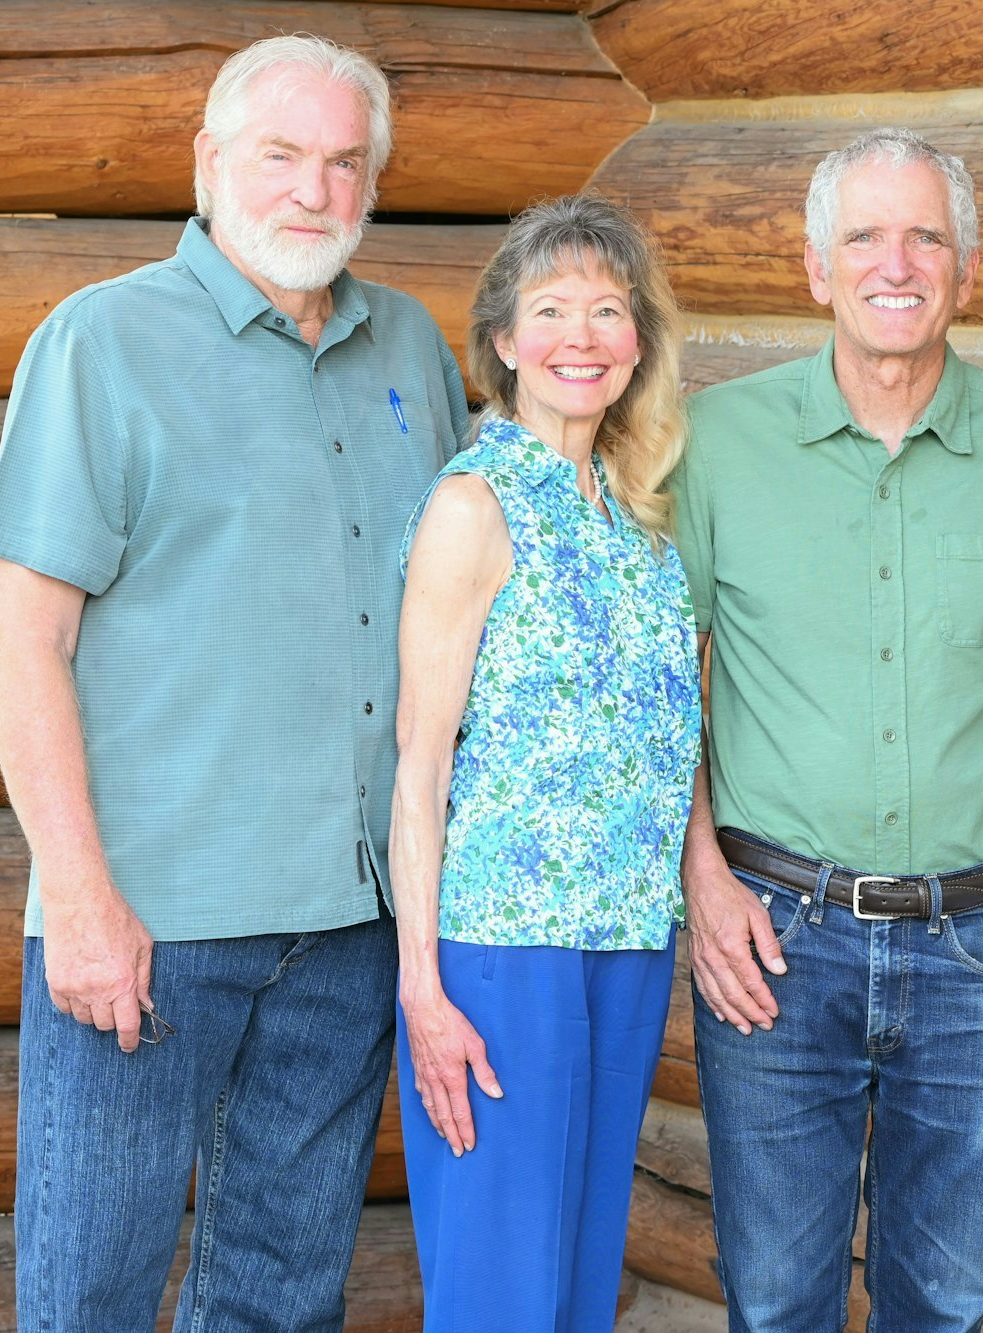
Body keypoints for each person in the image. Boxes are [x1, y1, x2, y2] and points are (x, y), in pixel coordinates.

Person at [0, 34, 469, 1330]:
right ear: (208, 162)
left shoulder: (412, 345)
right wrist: (78, 899)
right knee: (92, 1288)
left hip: (351, 922)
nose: (314, 190)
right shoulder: (101, 343)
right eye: (280, 156)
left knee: (282, 1294)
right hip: (150, 923)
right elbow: (19, 638)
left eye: (345, 163)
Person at [671, 127, 983, 1331]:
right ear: (816, 268)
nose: (897, 261)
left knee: (944, 1297)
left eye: (926, 235)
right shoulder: (716, 442)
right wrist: (697, 876)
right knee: (773, 1299)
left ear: (966, 272)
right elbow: (670, 683)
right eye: (865, 235)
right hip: (773, 934)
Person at [389, 192, 700, 1330]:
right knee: (498, 1292)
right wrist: (422, 984)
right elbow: (418, 764)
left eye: (608, 311)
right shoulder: (476, 505)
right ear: (506, 343)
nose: (582, 335)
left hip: (623, 938)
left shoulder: (637, 516)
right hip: (501, 947)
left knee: (575, 1285)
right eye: (552, 310)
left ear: (636, 344)